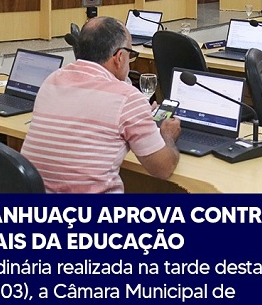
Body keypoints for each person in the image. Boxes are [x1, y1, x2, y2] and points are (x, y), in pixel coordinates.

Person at [22, 16, 180, 193]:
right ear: (119, 57)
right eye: (130, 55)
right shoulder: (127, 98)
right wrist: (167, 136)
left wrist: (140, 116)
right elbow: (163, 168)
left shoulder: (52, 80)